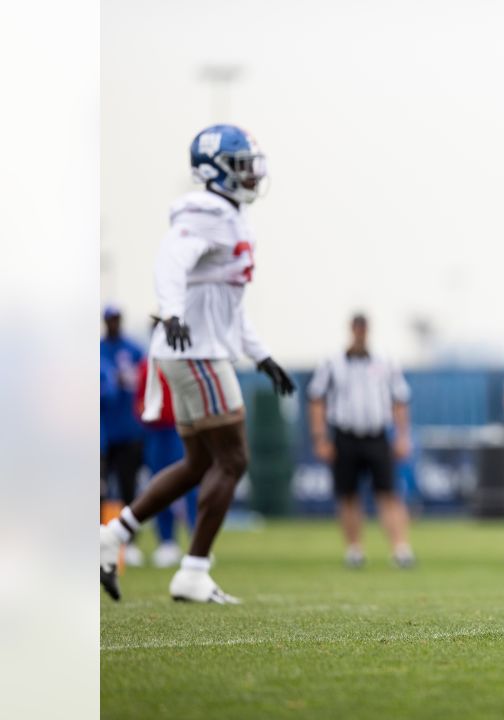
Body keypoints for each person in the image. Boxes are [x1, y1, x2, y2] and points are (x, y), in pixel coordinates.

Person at [99, 124, 295, 604]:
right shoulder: (207, 212)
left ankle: (113, 536)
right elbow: (171, 261)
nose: (251, 173)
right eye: (241, 164)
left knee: (198, 463)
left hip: (198, 348)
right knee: (234, 459)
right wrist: (171, 311)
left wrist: (261, 354)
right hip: (198, 353)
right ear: (216, 170)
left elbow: (228, 302)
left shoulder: (229, 216)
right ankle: (193, 569)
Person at [308, 314, 416, 569]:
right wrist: (320, 437)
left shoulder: (386, 360)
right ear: (351, 330)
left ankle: (400, 548)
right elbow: (316, 399)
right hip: (345, 435)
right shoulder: (332, 362)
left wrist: (402, 436)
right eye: (357, 328)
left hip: (377, 435)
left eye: (363, 329)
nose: (360, 333)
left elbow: (400, 400)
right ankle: (354, 549)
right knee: (348, 495)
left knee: (389, 493)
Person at [133, 350, 199, 568]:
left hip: (181, 429)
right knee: (159, 485)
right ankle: (167, 542)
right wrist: (146, 411)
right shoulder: (147, 365)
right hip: (156, 433)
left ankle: (196, 542)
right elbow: (139, 400)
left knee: (190, 484)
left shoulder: (186, 361)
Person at [100, 305, 147, 567]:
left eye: (116, 319)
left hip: (130, 431)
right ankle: (98, 543)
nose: (113, 324)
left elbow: (145, 383)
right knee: (100, 490)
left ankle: (130, 542)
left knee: (130, 489)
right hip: (103, 433)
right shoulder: (97, 349)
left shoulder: (135, 349)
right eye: (109, 320)